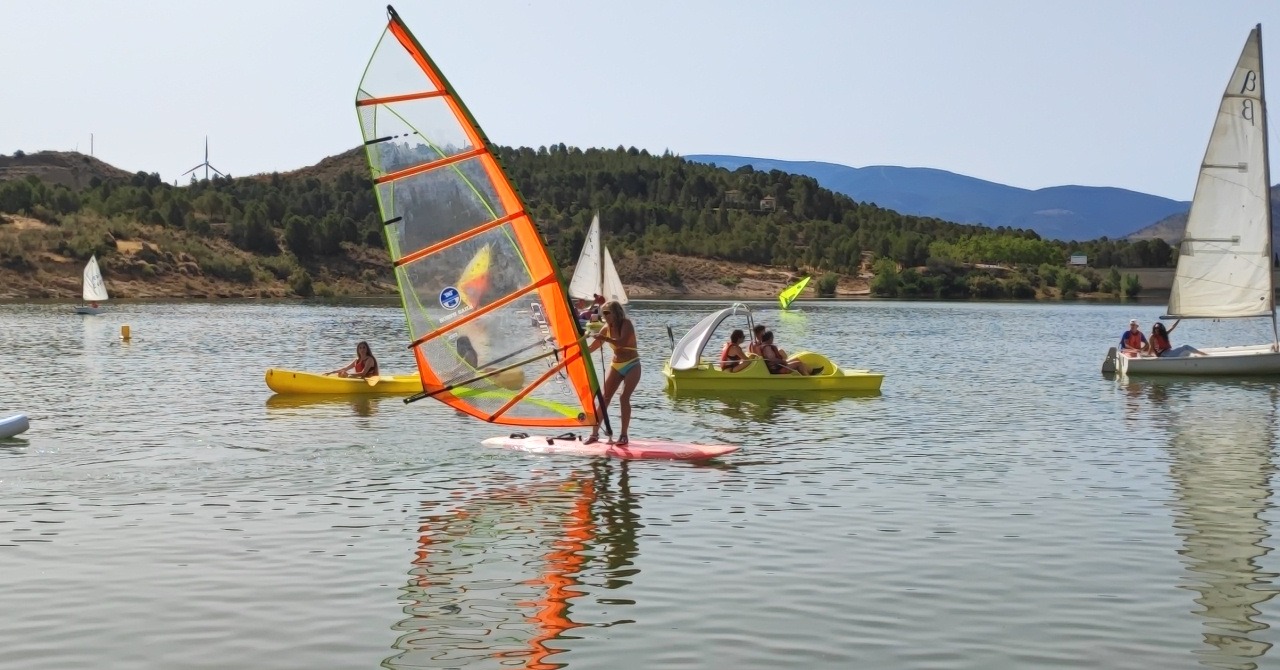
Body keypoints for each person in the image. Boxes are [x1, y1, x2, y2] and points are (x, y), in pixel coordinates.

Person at [586, 300, 639, 446]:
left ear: (615, 313)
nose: (604, 316)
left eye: (607, 313)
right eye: (603, 313)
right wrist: (579, 349)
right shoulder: (606, 327)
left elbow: (622, 342)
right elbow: (592, 348)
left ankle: (623, 435)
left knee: (623, 397)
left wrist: (604, 338)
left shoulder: (626, 324)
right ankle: (594, 434)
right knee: (604, 398)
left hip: (632, 365)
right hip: (616, 366)